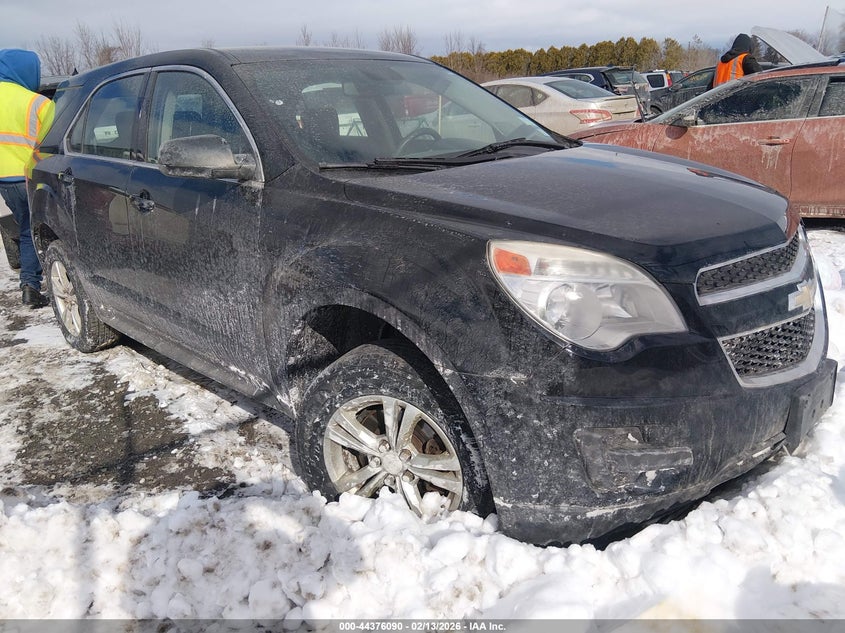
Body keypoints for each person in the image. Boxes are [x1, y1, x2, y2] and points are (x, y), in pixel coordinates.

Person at [0, 49, 55, 308]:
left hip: (3, 180)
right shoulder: (39, 103)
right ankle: (31, 286)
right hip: (30, 175)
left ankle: (31, 282)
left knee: (25, 226)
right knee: (34, 230)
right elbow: (51, 144)